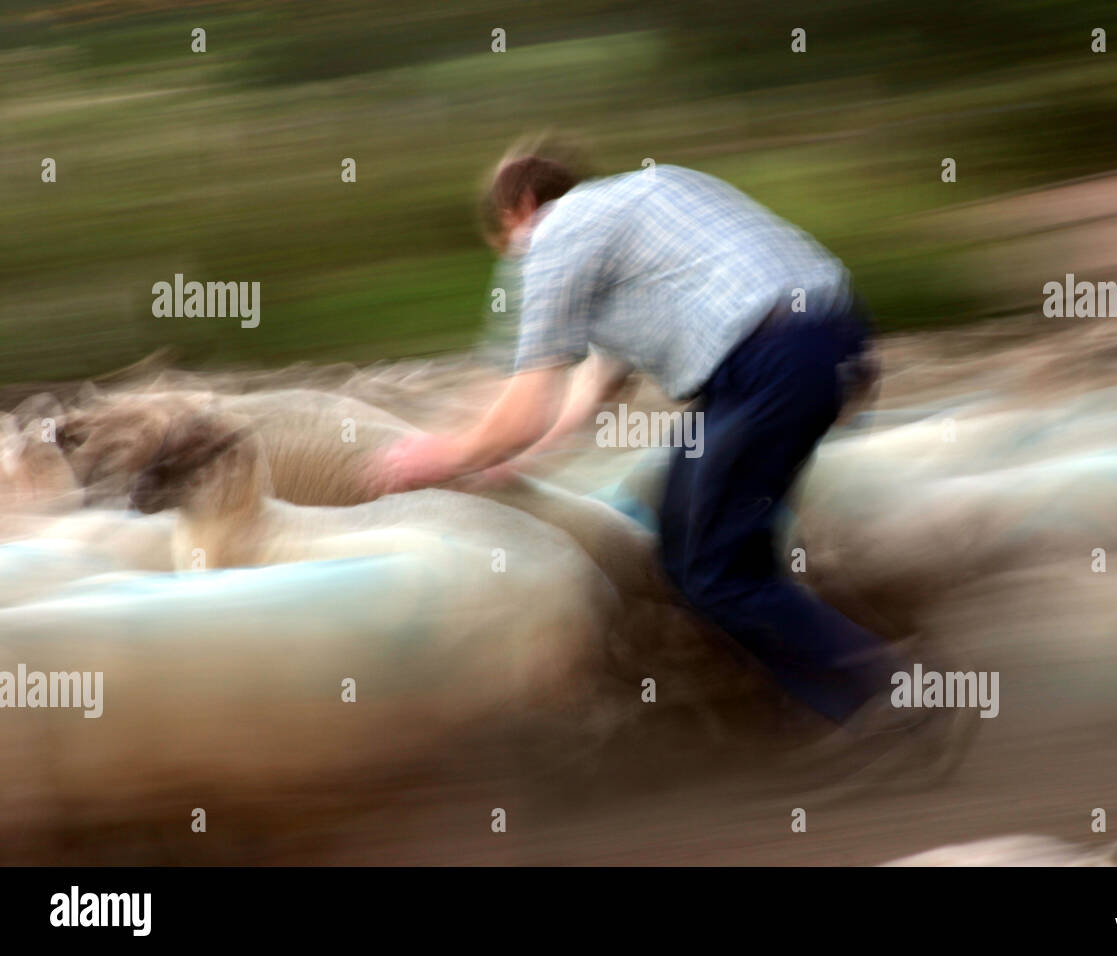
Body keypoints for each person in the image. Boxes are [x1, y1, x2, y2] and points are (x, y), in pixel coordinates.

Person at [375, 147, 972, 785]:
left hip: (767, 359)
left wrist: (436, 457)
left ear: (517, 210)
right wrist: (514, 460)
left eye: (502, 240)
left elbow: (523, 404)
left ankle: (896, 700)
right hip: (822, 342)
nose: (511, 257)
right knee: (701, 547)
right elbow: (585, 398)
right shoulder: (637, 222)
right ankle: (836, 707)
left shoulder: (555, 234)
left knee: (709, 568)